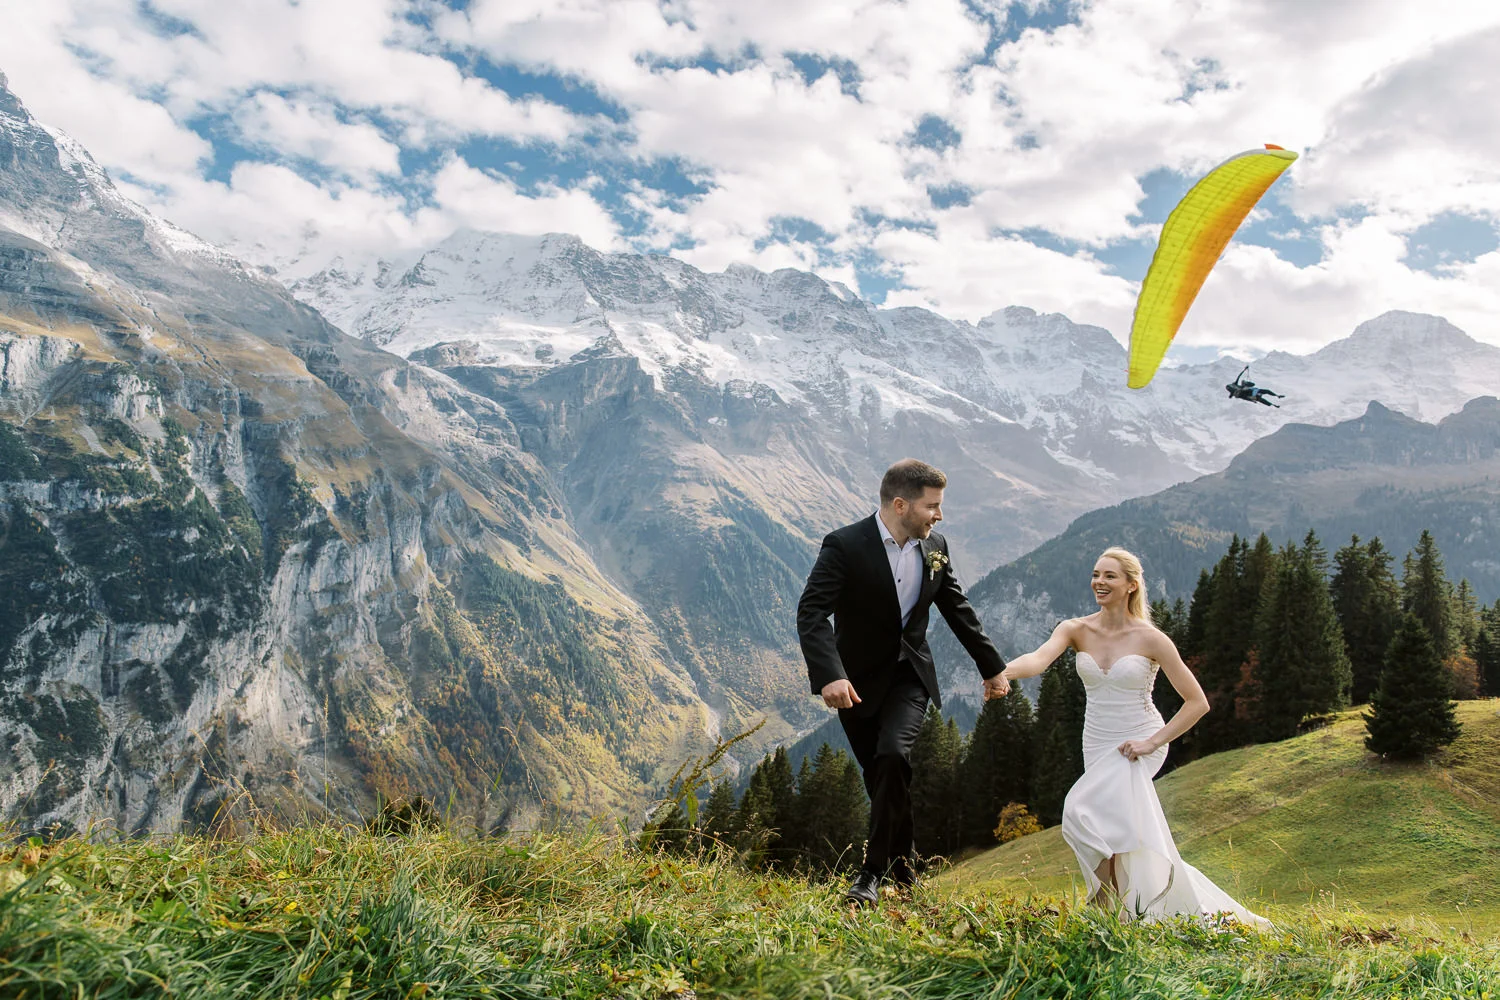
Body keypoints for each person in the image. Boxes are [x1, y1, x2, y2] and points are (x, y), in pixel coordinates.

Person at [998, 547, 1271, 928]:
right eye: (1096, 574)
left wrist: (1153, 743)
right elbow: (1038, 659)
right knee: (1113, 828)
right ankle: (1125, 914)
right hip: (1096, 740)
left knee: (1079, 810)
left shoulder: (1152, 639)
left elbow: (1197, 703)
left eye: (1110, 576)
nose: (1099, 582)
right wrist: (1001, 672)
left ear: (1131, 585)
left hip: (1138, 742)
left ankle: (1104, 904)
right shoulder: (1074, 629)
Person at [797, 458, 1010, 906]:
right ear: (900, 504)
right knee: (882, 777)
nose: (939, 515)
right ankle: (906, 872)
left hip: (909, 676)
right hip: (853, 685)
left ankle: (870, 876)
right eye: (932, 506)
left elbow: (957, 609)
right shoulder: (845, 546)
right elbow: (812, 613)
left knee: (894, 756)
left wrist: (991, 667)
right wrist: (830, 675)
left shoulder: (936, 546)